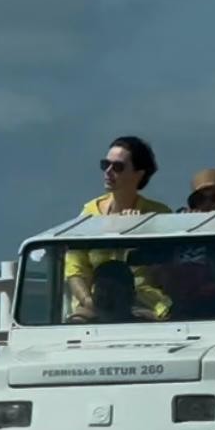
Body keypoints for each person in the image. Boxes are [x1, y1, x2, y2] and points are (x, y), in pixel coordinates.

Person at [66, 135, 173, 319]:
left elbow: (168, 267)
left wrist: (139, 231)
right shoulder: (89, 213)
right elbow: (75, 269)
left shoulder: (158, 214)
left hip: (144, 303)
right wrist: (89, 301)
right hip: (97, 302)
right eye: (105, 164)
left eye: (117, 167)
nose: (108, 171)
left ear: (139, 174)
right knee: (76, 323)